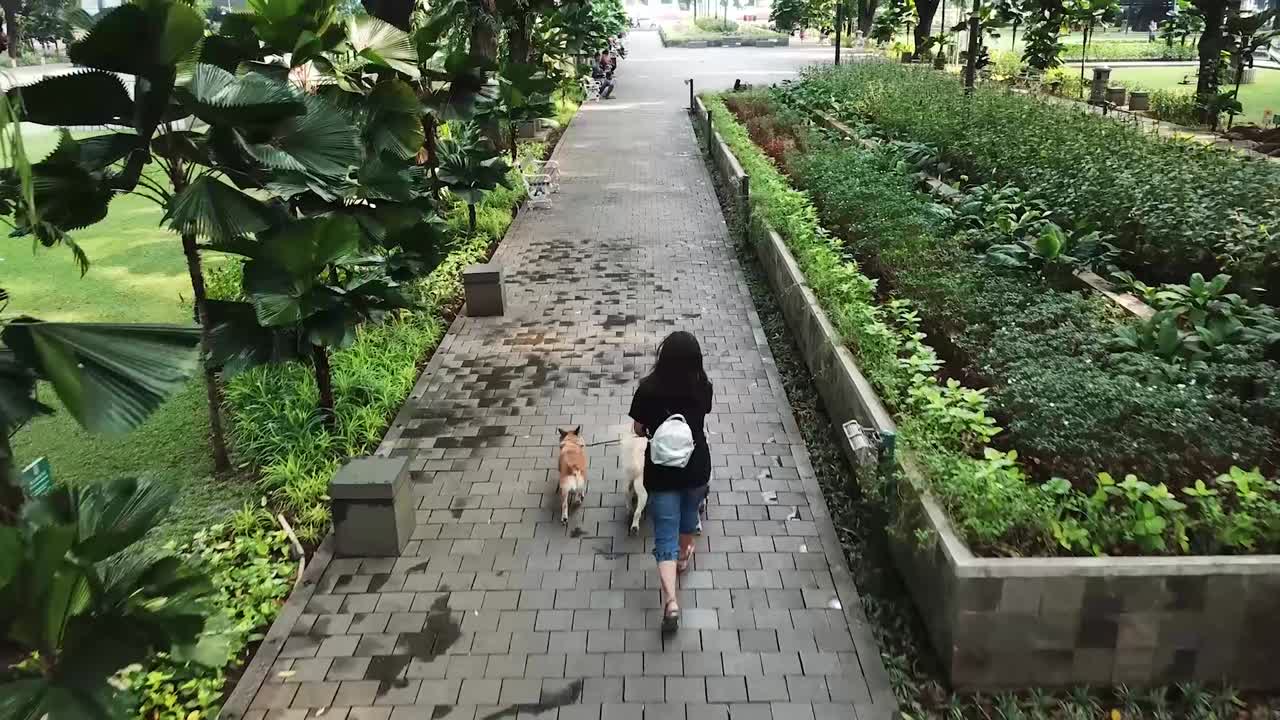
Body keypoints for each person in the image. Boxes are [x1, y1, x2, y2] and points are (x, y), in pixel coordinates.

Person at [628, 331, 714, 632]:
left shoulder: (648, 389)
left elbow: (639, 429)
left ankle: (671, 602)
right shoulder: (703, 386)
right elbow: (703, 414)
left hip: (662, 472)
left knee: (664, 533)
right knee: (689, 519)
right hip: (696, 468)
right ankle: (682, 560)